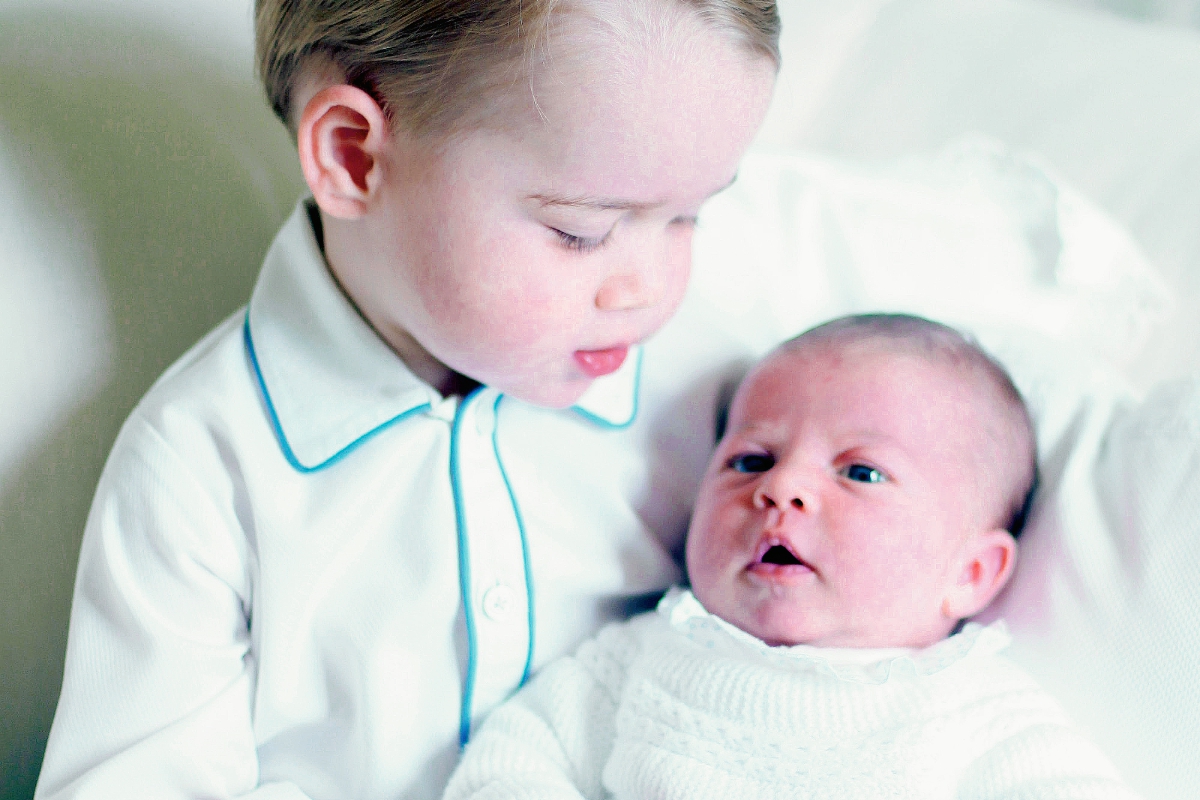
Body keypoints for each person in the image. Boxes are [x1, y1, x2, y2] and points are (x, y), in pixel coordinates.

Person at [34, 2, 778, 799]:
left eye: (689, 217)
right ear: (354, 158)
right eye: (581, 231)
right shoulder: (200, 472)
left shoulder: (720, 394)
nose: (649, 289)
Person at [443, 314, 1141, 800]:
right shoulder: (641, 661)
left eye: (860, 473)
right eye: (750, 459)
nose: (780, 488)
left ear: (970, 573)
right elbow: (508, 764)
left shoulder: (974, 713)